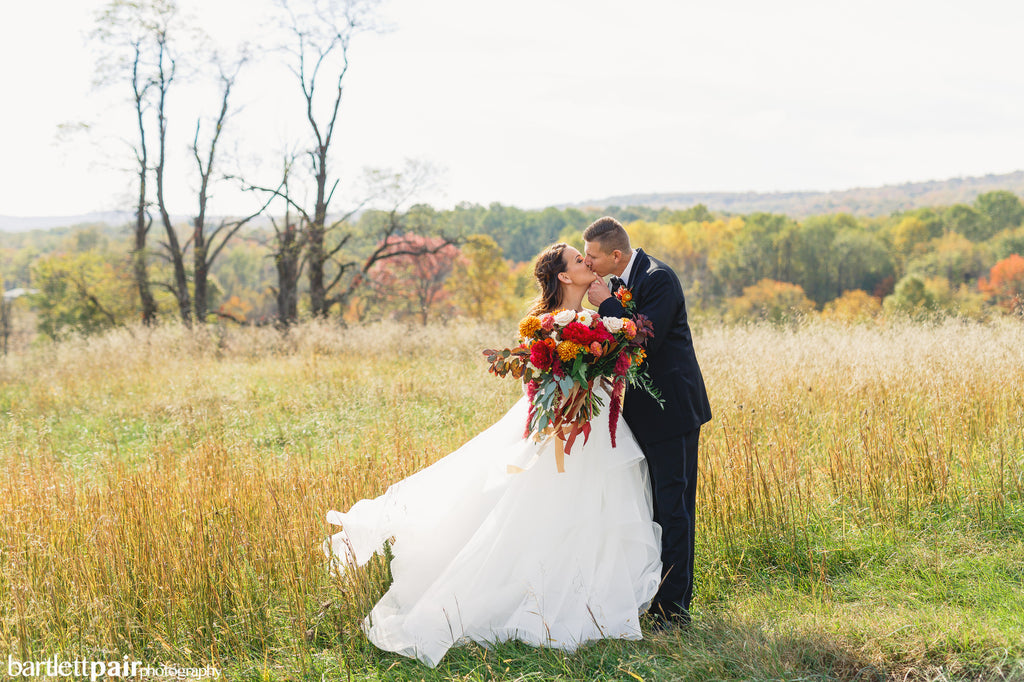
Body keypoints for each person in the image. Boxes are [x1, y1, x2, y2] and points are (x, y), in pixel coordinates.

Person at [323, 243, 663, 668]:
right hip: (555, 427)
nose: (587, 263)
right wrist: (565, 402)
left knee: (598, 509)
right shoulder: (542, 327)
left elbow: (618, 366)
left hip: (594, 427)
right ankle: (535, 598)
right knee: (546, 509)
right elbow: (538, 382)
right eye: (579, 260)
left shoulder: (603, 319)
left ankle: (594, 599)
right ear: (562, 276)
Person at [583, 216, 712, 627]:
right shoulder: (621, 279)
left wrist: (606, 304)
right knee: (649, 508)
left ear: (615, 256)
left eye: (593, 256)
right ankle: (649, 595)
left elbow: (642, 339)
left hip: (670, 412)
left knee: (673, 509)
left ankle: (674, 611)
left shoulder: (659, 279)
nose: (588, 263)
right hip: (637, 414)